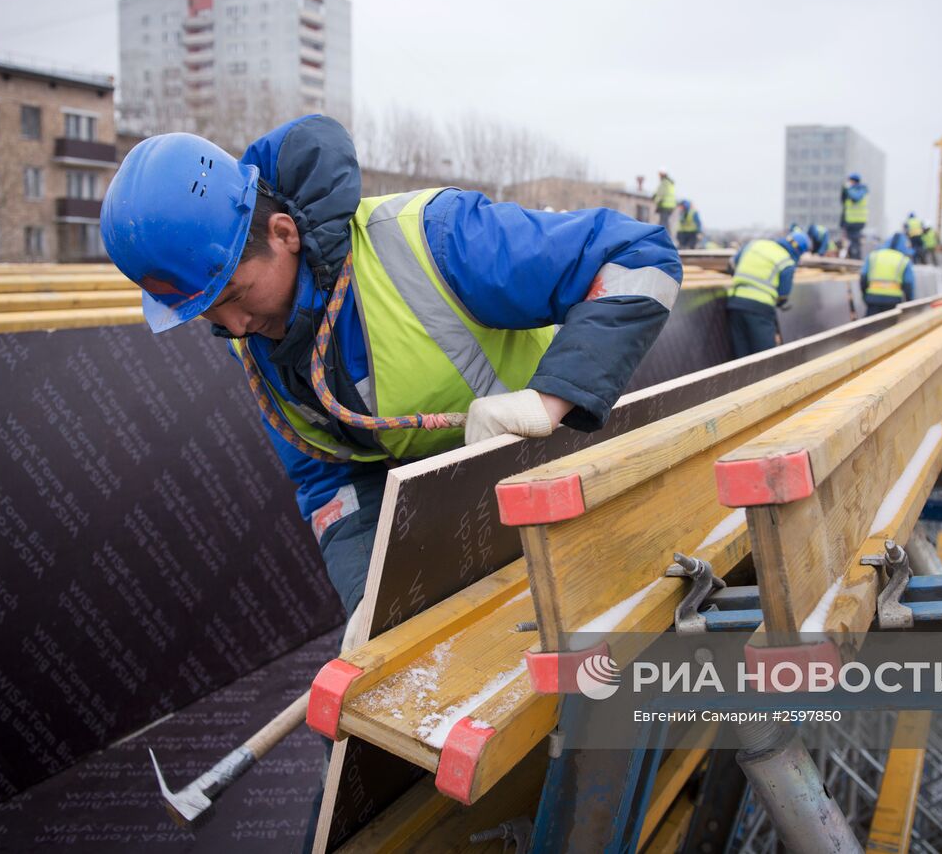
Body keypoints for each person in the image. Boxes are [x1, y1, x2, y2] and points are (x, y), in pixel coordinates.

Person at [99, 116, 682, 620]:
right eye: (207, 312)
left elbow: (638, 255)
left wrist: (550, 400)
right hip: (478, 528)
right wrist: (372, 605)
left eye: (236, 294)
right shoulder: (255, 341)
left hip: (575, 479)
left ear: (284, 234)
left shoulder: (433, 240)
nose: (235, 326)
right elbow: (332, 481)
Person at [725, 231, 811, 359]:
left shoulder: (755, 244)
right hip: (760, 310)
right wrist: (779, 303)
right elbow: (783, 296)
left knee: (740, 357)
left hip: (735, 304)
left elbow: (731, 265)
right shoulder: (787, 262)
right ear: (799, 251)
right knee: (765, 358)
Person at [860, 232, 916, 315]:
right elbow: (908, 283)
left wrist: (865, 295)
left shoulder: (874, 256)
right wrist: (909, 302)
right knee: (890, 325)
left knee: (871, 325)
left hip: (873, 298)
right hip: (893, 300)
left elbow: (863, 277)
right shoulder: (903, 260)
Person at [840, 173, 870, 260]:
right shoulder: (851, 191)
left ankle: (856, 258)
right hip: (850, 221)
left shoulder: (861, 190)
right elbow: (843, 202)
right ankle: (853, 257)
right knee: (851, 241)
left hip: (857, 221)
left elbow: (855, 198)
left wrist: (848, 189)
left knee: (854, 241)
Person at [652, 168, 677, 234]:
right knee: (665, 221)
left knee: (663, 222)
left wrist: (656, 199)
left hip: (665, 205)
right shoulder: (669, 182)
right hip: (670, 206)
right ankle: (666, 234)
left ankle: (664, 235)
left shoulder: (664, 182)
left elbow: (661, 194)